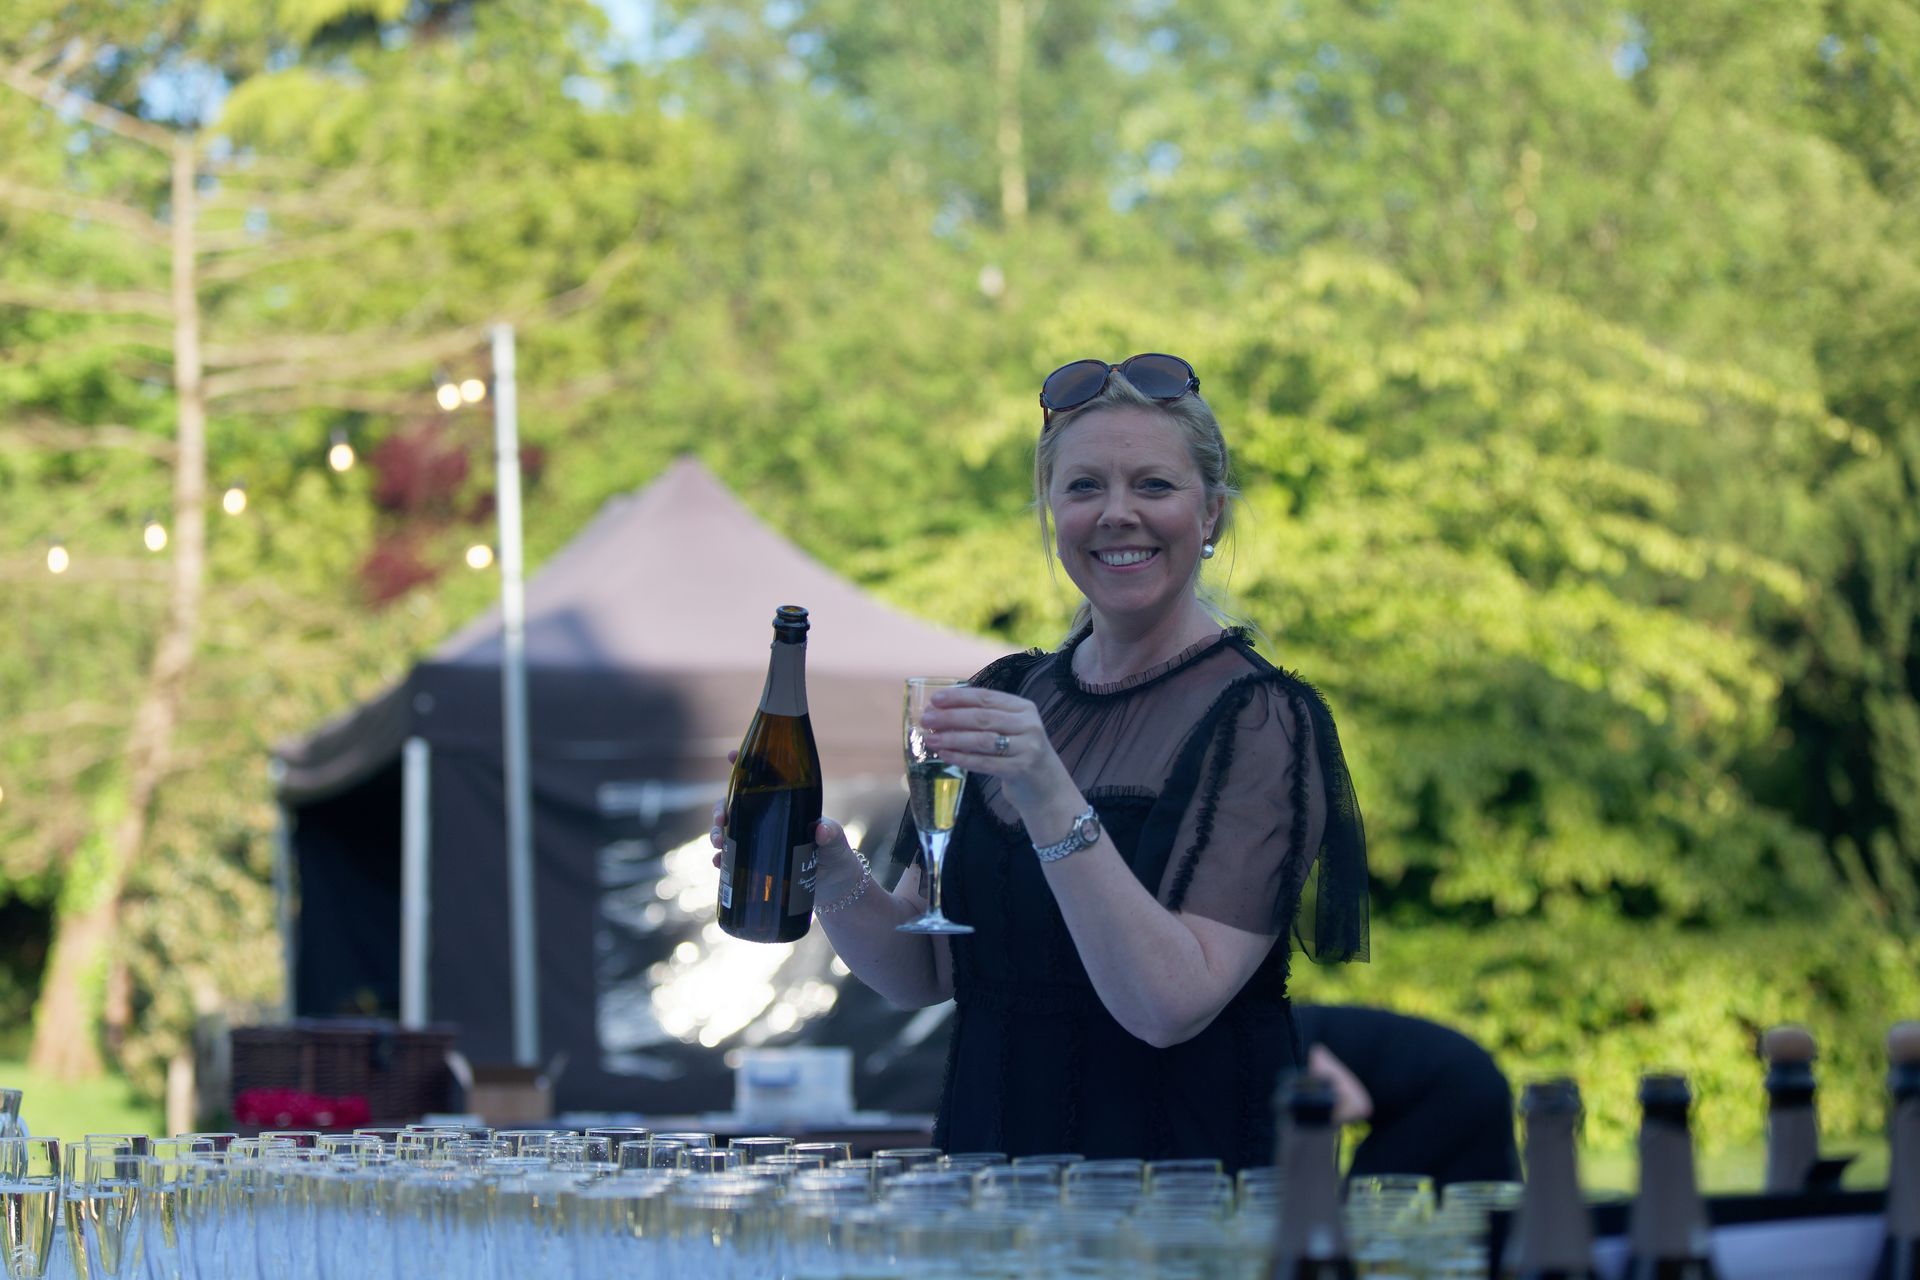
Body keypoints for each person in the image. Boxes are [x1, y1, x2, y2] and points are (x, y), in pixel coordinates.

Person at [713, 353, 1368, 1169]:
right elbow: (924, 969)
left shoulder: (1263, 718)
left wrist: (1049, 791)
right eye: (1084, 487)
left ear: (1213, 518)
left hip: (1179, 1188)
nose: (1116, 514)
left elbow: (1168, 1006)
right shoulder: (1009, 692)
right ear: (1052, 514)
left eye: (1154, 487)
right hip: (994, 1168)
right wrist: (834, 873)